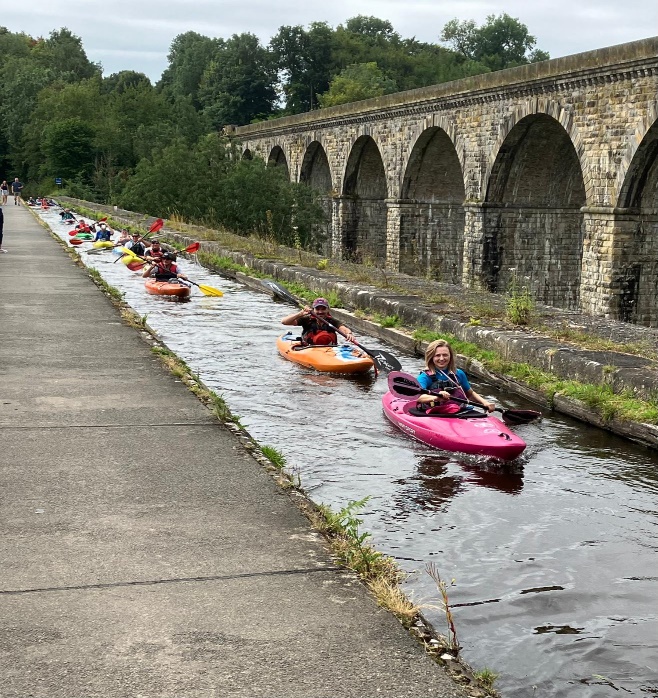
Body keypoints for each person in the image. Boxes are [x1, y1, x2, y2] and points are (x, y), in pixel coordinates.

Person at [416, 339, 494, 413]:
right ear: (431, 357)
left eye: (445, 355)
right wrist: (437, 397)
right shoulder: (425, 376)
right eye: (437, 355)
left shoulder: (458, 374)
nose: (442, 358)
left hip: (458, 412)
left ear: (450, 356)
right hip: (433, 414)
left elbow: (470, 394)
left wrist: (485, 403)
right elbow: (418, 397)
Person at [281, 297, 355, 345]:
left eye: (323, 309)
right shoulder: (307, 319)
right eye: (318, 309)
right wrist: (300, 314)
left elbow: (343, 328)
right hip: (309, 349)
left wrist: (349, 333)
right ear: (313, 310)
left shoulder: (332, 321)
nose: (320, 312)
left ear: (328, 310)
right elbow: (284, 322)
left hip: (329, 349)